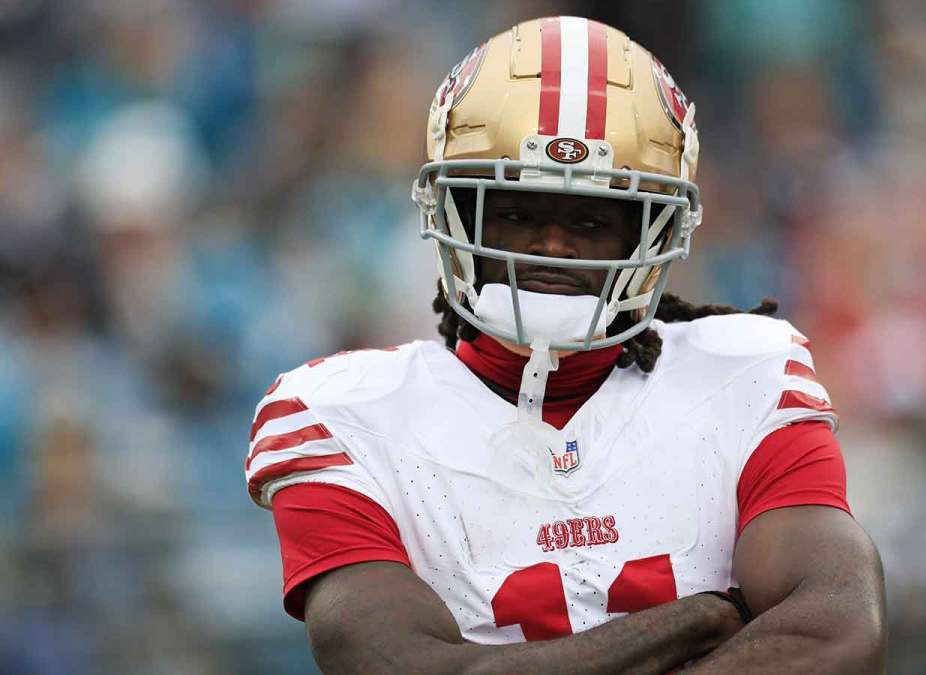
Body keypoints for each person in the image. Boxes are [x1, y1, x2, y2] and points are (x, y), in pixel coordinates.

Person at [244, 16, 885, 674]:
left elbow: (838, 633)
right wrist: (699, 617)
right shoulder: (342, 417)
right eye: (516, 212)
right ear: (452, 212)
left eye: (592, 219)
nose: (553, 245)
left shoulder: (743, 373)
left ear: (653, 232)